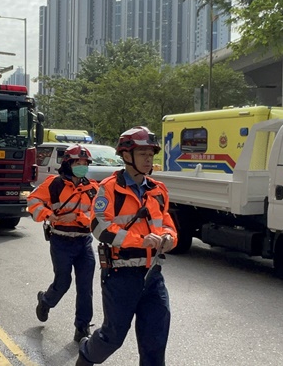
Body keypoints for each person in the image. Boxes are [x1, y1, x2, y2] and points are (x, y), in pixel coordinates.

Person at [77, 126, 177, 366]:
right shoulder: (108, 188)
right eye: (142, 153)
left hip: (153, 275)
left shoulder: (158, 190)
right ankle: (87, 353)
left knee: (155, 341)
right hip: (120, 275)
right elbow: (100, 228)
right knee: (112, 338)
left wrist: (168, 238)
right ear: (127, 155)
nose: (148, 158)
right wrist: (139, 241)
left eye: (150, 154)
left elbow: (167, 224)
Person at [28, 145, 99, 342]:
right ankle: (45, 301)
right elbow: (33, 201)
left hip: (84, 242)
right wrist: (50, 216)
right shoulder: (54, 184)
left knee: (85, 288)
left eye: (85, 163)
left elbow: (99, 215)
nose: (82, 166)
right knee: (63, 282)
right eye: (78, 163)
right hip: (61, 241)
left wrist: (79, 217)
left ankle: (82, 328)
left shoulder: (93, 189)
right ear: (68, 163)